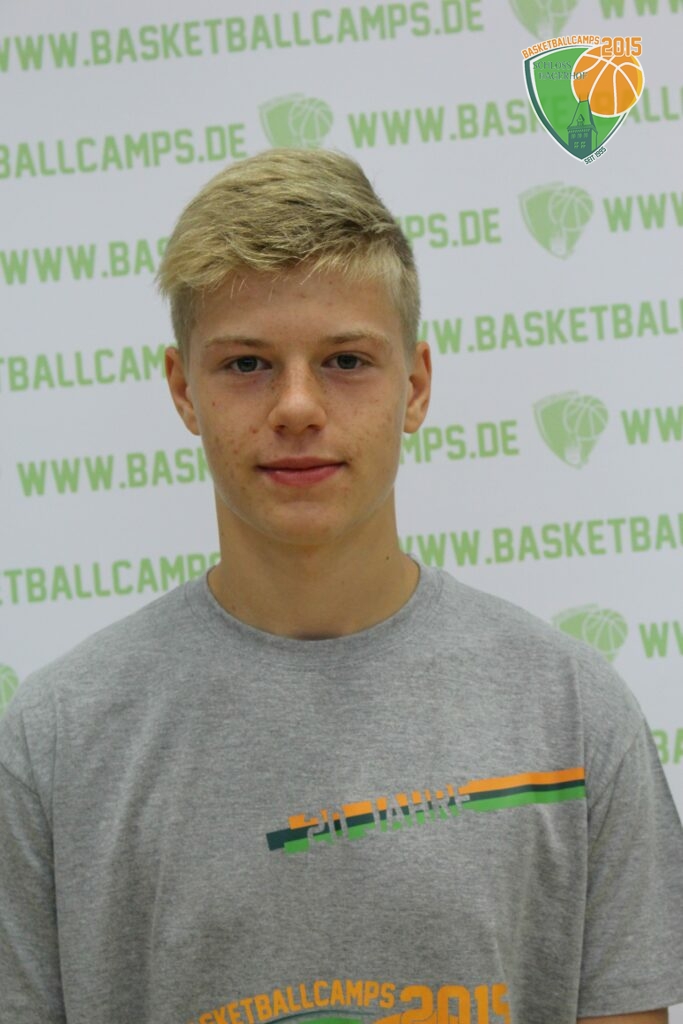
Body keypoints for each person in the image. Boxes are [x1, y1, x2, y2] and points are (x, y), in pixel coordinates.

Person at [1, 149, 682, 1024]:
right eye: (245, 364)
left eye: (346, 361)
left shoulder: (570, 712)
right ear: (183, 391)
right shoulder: (57, 742)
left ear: (416, 385)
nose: (296, 406)